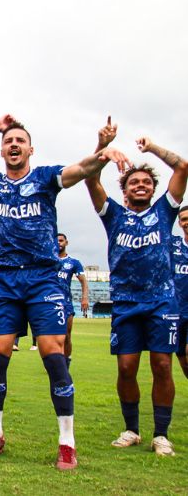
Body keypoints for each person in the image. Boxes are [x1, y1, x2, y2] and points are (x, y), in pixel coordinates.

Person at [0, 113, 130, 470]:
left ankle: (67, 441)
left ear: (31, 149)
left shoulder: (46, 177)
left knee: (53, 354)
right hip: (3, 280)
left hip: (43, 278)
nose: (14, 144)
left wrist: (103, 150)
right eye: (9, 141)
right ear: (2, 149)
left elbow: (81, 170)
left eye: (20, 140)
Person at [85, 117, 187, 457]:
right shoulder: (113, 215)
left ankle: (161, 434)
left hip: (161, 301)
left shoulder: (163, 213)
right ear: (125, 190)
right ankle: (131, 429)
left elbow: (183, 166)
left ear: (153, 189)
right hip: (126, 303)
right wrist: (102, 147)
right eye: (134, 182)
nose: (140, 185)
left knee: (162, 365)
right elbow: (90, 177)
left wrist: (153, 148)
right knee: (126, 367)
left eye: (146, 182)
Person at [43, 234, 88, 362]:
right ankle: (53, 361)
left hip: (66, 303)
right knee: (50, 336)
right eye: (56, 241)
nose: (59, 243)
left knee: (67, 335)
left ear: (66, 242)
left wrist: (84, 298)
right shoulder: (48, 260)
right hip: (49, 303)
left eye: (61, 241)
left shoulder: (73, 262)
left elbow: (83, 281)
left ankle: (66, 361)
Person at [174, 206, 188, 380]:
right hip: (176, 312)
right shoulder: (173, 245)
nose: (187, 222)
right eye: (183, 219)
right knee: (182, 359)